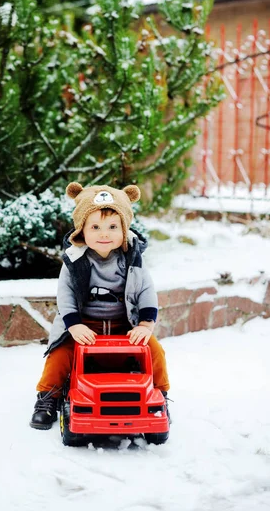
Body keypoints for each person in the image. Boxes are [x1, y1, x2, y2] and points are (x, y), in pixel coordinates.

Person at [30, 181, 170, 430]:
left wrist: (146, 324)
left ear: (125, 229)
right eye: (95, 227)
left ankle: (158, 396)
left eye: (113, 226)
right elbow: (65, 294)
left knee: (154, 350)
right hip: (84, 325)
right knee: (60, 355)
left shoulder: (132, 259)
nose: (104, 233)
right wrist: (73, 326)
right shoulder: (74, 260)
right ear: (82, 230)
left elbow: (146, 289)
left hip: (123, 324)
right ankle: (47, 398)